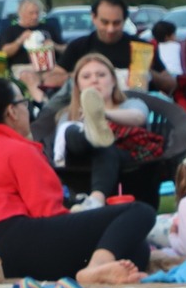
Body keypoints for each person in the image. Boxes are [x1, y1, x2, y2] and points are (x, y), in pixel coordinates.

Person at [0, 77, 153, 286]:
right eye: (24, 103)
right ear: (12, 111)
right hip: (18, 242)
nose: (27, 110)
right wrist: (79, 222)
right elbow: (46, 210)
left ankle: (97, 265)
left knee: (137, 249)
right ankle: (94, 268)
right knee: (138, 212)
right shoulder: (18, 150)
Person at [53, 53, 166, 209]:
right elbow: (62, 143)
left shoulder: (131, 103)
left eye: (101, 75)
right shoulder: (68, 114)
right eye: (86, 76)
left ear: (113, 80)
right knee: (69, 130)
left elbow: (138, 117)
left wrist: (103, 114)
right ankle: (90, 133)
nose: (94, 80)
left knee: (104, 144)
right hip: (79, 162)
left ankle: (95, 200)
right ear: (78, 86)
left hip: (124, 158)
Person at [57, 0, 169, 94]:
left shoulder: (141, 47)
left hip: (133, 105)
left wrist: (147, 73)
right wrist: (83, 76)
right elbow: (53, 78)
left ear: (125, 20)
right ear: (93, 18)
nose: (110, 29)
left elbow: (171, 85)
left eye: (116, 23)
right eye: (105, 22)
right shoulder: (79, 46)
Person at [0, 0, 61, 98]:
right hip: (24, 67)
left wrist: (54, 45)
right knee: (30, 77)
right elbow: (3, 52)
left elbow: (65, 48)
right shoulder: (11, 30)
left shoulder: (48, 28)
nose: (35, 16)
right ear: (21, 13)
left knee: (62, 76)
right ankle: (43, 105)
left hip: (49, 66)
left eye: (37, 13)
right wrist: (20, 40)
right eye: (31, 13)